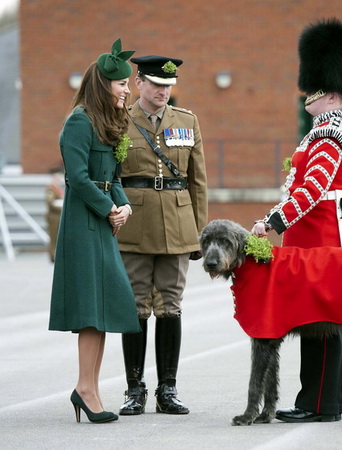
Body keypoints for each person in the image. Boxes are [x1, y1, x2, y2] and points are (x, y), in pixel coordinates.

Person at [252, 18, 342, 423]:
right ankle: (320, 401)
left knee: (320, 322)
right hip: (314, 235)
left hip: (321, 235)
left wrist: (271, 221)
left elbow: (311, 191)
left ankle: (318, 403)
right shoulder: (322, 129)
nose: (309, 93)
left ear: (333, 93)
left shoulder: (329, 134)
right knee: (314, 320)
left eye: (316, 87)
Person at [48, 38, 140, 423]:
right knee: (91, 310)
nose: (127, 90)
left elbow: (113, 175)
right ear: (105, 84)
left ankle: (89, 387)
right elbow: (78, 178)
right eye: (122, 84)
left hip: (102, 222)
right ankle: (85, 389)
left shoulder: (108, 121)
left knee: (104, 308)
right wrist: (107, 209)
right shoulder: (79, 122)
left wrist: (123, 206)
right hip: (83, 224)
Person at [116, 54, 208, 415]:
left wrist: (200, 233)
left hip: (177, 222)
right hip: (134, 223)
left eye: (168, 86)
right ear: (139, 83)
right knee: (136, 305)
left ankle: (167, 389)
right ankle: (134, 389)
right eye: (156, 84)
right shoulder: (121, 121)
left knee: (170, 305)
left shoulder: (187, 121)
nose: (163, 92)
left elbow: (198, 181)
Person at [45, 165, 65, 262]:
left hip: (58, 216)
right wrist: (61, 206)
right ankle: (53, 256)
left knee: (57, 236)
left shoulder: (57, 188)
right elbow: (50, 202)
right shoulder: (51, 188)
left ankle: (55, 254)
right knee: (53, 236)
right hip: (54, 216)